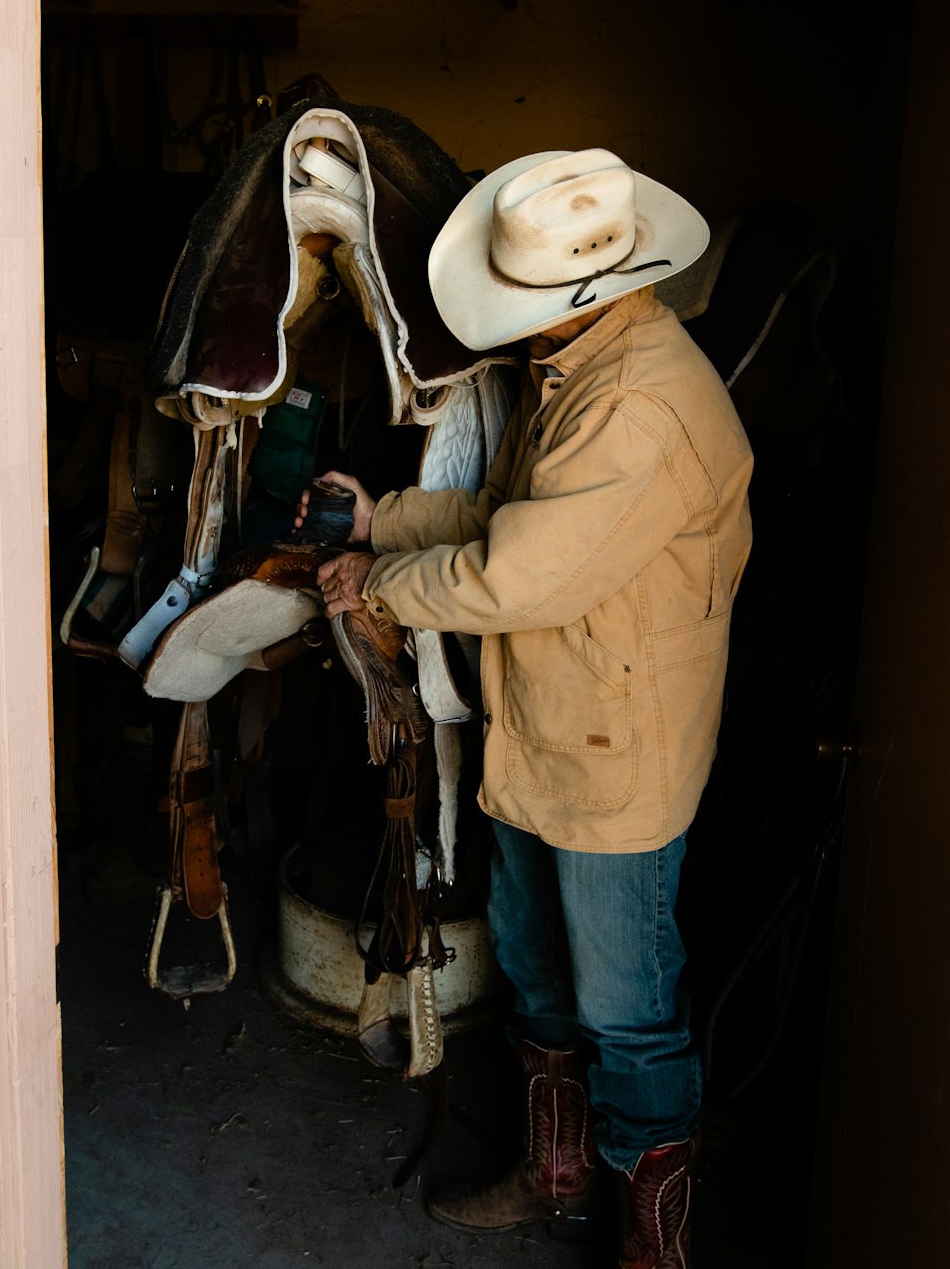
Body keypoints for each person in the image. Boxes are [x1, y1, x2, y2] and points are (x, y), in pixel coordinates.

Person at [298, 148, 753, 1267]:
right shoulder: (587, 372)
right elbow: (510, 506)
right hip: (551, 728)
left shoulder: (640, 403)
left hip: (613, 756)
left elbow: (518, 573)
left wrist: (383, 586)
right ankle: (555, 1181)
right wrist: (383, 521)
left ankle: (655, 1249)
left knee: (625, 1015)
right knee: (542, 983)